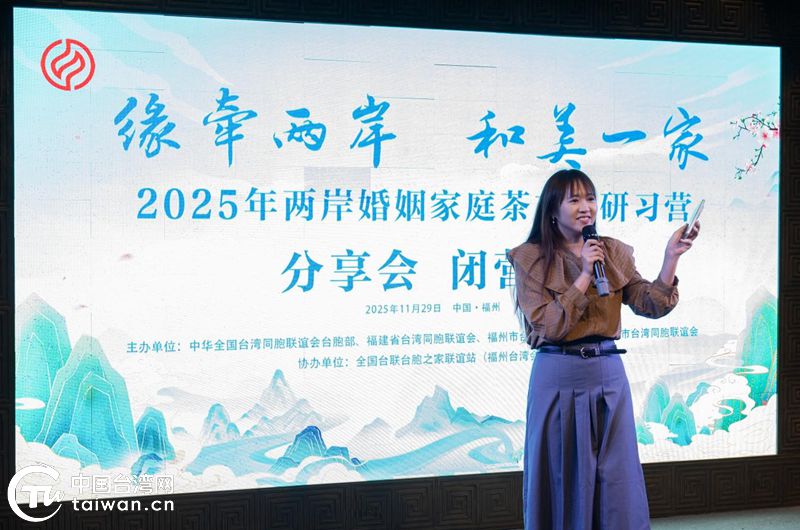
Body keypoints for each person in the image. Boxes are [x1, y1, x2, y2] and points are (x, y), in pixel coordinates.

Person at [507, 169, 700, 530]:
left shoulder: (610, 251)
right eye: (574, 200)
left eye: (591, 198)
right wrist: (583, 274)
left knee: (617, 480)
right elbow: (549, 325)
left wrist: (671, 258)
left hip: (608, 374)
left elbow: (651, 303)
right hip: (558, 375)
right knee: (563, 475)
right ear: (553, 210)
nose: (586, 207)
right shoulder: (531, 258)